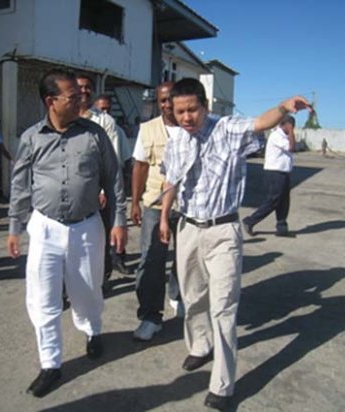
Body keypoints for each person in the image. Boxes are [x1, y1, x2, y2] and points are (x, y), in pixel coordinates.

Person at [159, 78, 311, 411]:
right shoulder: (177, 139)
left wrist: (284, 107)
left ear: (205, 106)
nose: (186, 117)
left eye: (192, 110)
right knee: (192, 297)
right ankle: (200, 346)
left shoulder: (227, 129)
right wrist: (164, 217)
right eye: (179, 112)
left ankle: (223, 385)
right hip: (188, 228)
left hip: (223, 231)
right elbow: (170, 178)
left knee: (224, 307)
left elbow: (260, 122)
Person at [7, 69, 128, 398]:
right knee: (42, 297)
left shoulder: (95, 134)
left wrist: (119, 221)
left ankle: (92, 330)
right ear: (51, 101)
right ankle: (51, 364)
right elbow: (20, 185)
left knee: (87, 290)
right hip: (45, 227)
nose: (82, 100)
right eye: (73, 96)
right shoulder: (31, 137)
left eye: (82, 94)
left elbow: (113, 180)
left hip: (87, 226)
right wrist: (14, 227)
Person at [129, 81, 183, 342]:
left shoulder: (193, 126)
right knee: (151, 261)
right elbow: (139, 166)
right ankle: (151, 317)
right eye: (162, 100)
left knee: (186, 259)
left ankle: (178, 295)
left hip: (187, 207)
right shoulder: (147, 129)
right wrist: (135, 202)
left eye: (171, 98)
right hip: (154, 204)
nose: (167, 104)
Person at [77, 75, 132, 279]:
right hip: (74, 193)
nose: (84, 91)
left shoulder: (105, 121)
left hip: (98, 191)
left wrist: (103, 190)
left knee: (101, 238)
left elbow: (113, 161)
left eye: (88, 87)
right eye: (80, 87)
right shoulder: (65, 118)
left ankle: (102, 279)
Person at [242, 115, 297, 237]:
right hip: (274, 173)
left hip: (284, 172)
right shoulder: (276, 135)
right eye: (291, 126)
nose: (292, 128)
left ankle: (282, 228)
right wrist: (291, 131)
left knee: (284, 201)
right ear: (285, 124)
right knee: (273, 201)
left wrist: (290, 132)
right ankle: (250, 221)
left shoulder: (285, 136)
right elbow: (291, 147)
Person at [94, 94, 133, 197]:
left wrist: (127, 178)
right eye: (102, 109)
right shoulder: (89, 129)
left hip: (112, 181)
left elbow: (127, 158)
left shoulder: (119, 131)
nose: (106, 112)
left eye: (108, 109)